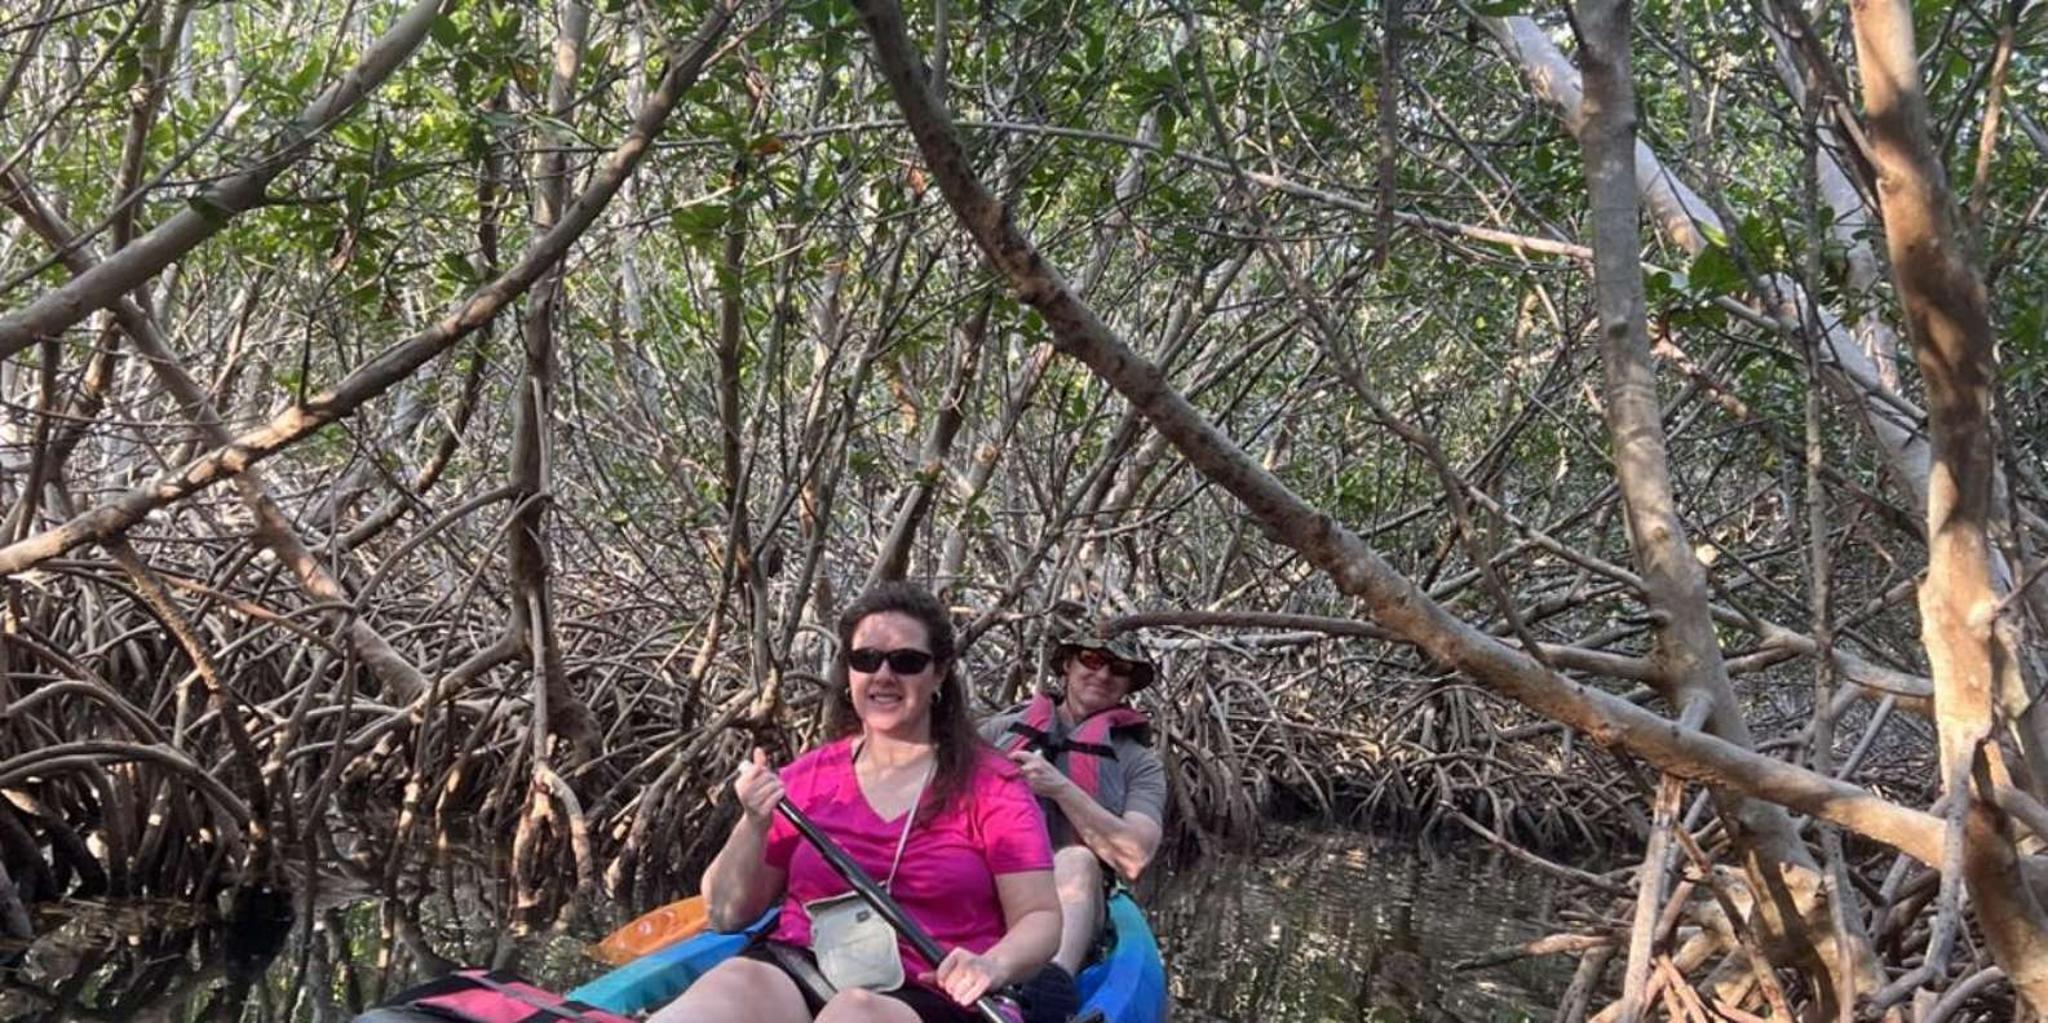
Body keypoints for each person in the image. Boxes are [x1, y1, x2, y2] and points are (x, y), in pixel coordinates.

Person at [653, 583, 1060, 1023]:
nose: (884, 675)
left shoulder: (993, 785)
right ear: (849, 674)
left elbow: (1039, 917)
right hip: (805, 968)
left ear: (939, 674)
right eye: (866, 660)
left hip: (935, 991)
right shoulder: (805, 779)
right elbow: (726, 913)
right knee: (736, 981)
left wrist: (992, 964)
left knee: (856, 1013)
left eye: (906, 661)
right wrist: (753, 823)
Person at [979, 631, 1166, 978]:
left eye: (1119, 668)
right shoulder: (999, 732)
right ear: (1068, 664)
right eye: (1092, 660)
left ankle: (1050, 985)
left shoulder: (1140, 763)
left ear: (1128, 684)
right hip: (991, 883)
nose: (1103, 675)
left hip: (1068, 901)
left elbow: (1135, 857)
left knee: (1076, 860)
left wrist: (1060, 789)